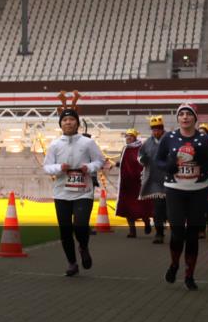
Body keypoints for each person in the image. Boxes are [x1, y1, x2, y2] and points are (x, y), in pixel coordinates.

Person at [156, 103, 208, 290]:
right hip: (175, 188)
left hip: (198, 190)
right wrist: (168, 165)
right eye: (181, 114)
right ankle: (174, 264)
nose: (185, 117)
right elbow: (158, 160)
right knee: (177, 232)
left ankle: (189, 275)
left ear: (195, 118)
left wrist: (203, 160)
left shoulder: (204, 139)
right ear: (178, 118)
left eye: (189, 114)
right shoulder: (169, 137)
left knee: (192, 235)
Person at [42, 108, 105, 276]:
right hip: (61, 193)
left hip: (83, 191)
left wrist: (89, 167)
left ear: (77, 122)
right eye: (64, 120)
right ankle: (71, 262)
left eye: (71, 119)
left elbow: (100, 160)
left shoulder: (87, 143)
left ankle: (83, 247)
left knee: (80, 225)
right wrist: (59, 168)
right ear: (60, 124)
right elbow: (46, 167)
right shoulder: (55, 144)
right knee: (65, 230)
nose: (68, 122)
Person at [114, 129, 154, 237]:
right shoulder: (125, 149)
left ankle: (146, 223)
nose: (128, 138)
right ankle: (132, 231)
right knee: (128, 208)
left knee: (142, 206)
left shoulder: (141, 148)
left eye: (130, 136)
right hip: (126, 183)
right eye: (127, 136)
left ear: (135, 137)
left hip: (139, 182)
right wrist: (118, 164)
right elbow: (124, 163)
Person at [138, 115, 168, 243]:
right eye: (153, 129)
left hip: (170, 179)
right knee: (157, 210)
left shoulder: (170, 139)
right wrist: (142, 159)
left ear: (162, 129)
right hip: (154, 180)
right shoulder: (147, 143)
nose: (156, 132)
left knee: (171, 210)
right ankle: (159, 234)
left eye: (158, 129)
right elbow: (139, 156)